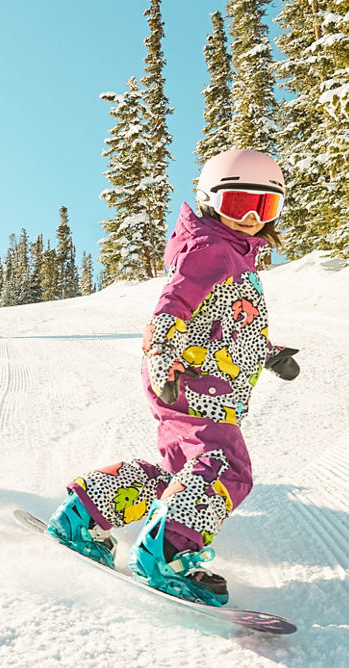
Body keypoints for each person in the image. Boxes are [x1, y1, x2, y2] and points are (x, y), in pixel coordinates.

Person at [43, 149, 300, 606]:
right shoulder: (211, 250)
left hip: (199, 380)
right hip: (189, 379)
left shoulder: (232, 255)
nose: (252, 218)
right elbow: (172, 307)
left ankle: (83, 513)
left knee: (179, 480)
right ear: (209, 198)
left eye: (266, 206)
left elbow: (225, 326)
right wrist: (161, 352)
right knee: (227, 469)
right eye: (240, 203)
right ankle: (166, 553)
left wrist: (268, 353)